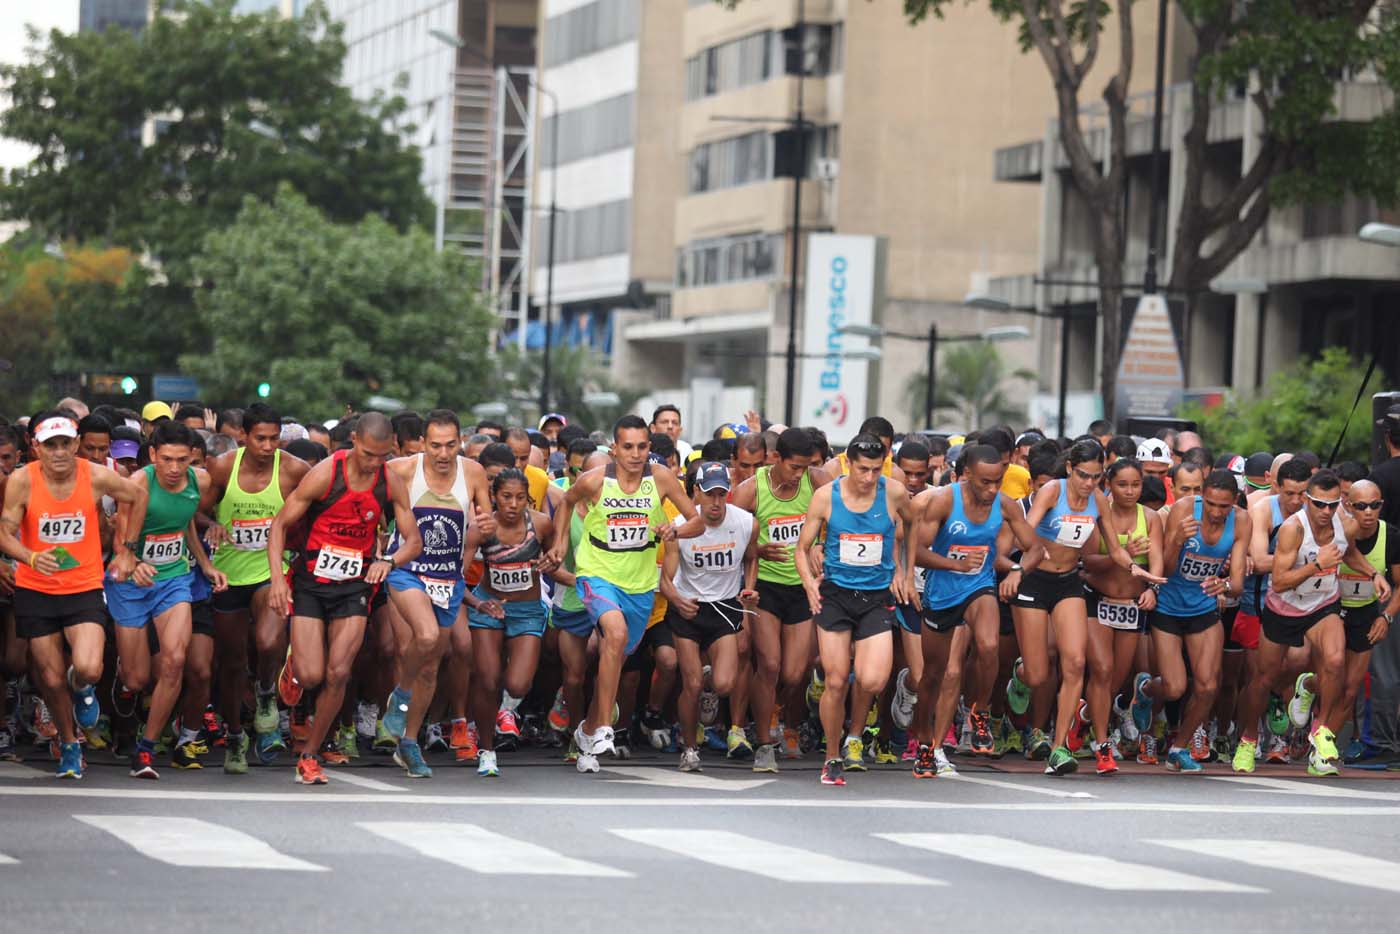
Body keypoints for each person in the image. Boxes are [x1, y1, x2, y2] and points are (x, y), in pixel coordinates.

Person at [266, 412, 422, 785]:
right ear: (353, 440)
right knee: (312, 674)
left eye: (382, 456)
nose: (373, 463)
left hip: (354, 587)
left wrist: (388, 561)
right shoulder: (326, 473)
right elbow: (280, 526)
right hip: (311, 583)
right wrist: (276, 581)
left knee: (338, 673)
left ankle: (309, 754)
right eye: (368, 454)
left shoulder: (389, 481)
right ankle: (295, 668)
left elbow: (413, 540)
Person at [544, 415, 703, 773]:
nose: (635, 454)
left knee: (617, 648)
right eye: (627, 447)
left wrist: (674, 529)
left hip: (641, 583)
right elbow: (566, 502)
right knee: (612, 635)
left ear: (650, 447)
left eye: (642, 447)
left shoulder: (661, 478)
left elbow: (697, 520)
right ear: (614, 448)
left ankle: (586, 733)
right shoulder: (595, 480)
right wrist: (557, 546)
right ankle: (603, 727)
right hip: (596, 572)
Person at [0, 411, 149, 778]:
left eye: (66, 443)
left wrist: (128, 548)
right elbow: (4, 533)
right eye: (51, 445)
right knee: (49, 679)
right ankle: (69, 743)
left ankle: (82, 687)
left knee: (89, 667)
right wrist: (30, 556)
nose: (59, 452)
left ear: (77, 444)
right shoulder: (22, 480)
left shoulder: (95, 476)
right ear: (35, 448)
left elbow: (138, 495)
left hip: (83, 585)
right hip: (36, 587)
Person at [1003, 440, 1163, 775]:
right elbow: (1024, 533)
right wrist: (1031, 555)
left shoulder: (1098, 501)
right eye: (1083, 475)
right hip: (1035, 581)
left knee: (1075, 661)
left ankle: (1058, 748)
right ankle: (1020, 676)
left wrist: (1135, 568)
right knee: (1038, 673)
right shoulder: (1052, 492)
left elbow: (1115, 549)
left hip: (1068, 584)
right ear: (1069, 469)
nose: (1089, 483)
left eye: (1096, 477)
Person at [1233, 469, 1391, 776]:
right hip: (1285, 608)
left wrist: (1373, 574)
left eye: (1333, 505)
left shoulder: (1345, 524)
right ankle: (1248, 739)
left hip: (1322, 605)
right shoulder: (1294, 529)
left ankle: (1321, 734)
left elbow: (1350, 553)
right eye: (1320, 504)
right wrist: (1317, 564)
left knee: (1335, 661)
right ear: (1308, 501)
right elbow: (1278, 582)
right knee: (1264, 679)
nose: (1326, 511)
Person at [794, 433, 919, 786]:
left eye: (876, 470)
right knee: (836, 680)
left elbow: (913, 523)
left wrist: (905, 572)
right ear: (848, 463)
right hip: (834, 595)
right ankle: (833, 755)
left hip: (876, 596)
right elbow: (802, 548)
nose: (868, 477)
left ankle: (855, 731)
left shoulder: (892, 492)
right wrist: (808, 584)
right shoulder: (826, 496)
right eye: (863, 469)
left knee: (873, 679)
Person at [909, 444, 1038, 778]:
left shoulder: (1005, 505)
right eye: (984, 482)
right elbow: (917, 552)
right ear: (966, 475)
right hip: (941, 592)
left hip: (979, 586)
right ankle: (924, 742)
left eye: (997, 481)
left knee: (989, 645)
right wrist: (955, 563)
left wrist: (1017, 572)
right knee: (933, 676)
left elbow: (1035, 548)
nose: (991, 490)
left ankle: (979, 711)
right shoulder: (944, 501)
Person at [107, 421, 227, 778]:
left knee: (176, 661)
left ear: (193, 458)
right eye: (168, 460)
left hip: (174, 578)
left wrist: (205, 565)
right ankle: (123, 681)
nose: (175, 469)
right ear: (153, 455)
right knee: (137, 677)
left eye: (183, 460)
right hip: (130, 581)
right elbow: (119, 540)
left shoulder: (199, 482)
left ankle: (146, 749)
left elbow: (186, 522)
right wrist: (135, 561)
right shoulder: (137, 485)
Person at [380, 409, 495, 778]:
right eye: (435, 446)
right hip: (407, 571)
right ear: (422, 444)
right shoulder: (401, 471)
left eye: (450, 445)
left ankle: (409, 743)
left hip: (447, 578)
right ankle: (399, 697)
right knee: (423, 639)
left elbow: (483, 525)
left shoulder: (473, 473)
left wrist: (485, 527)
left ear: (460, 442)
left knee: (430, 666)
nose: (443, 454)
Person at [202, 403, 310, 769]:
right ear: (244, 437)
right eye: (260, 438)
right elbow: (197, 510)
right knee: (232, 663)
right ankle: (235, 735)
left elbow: (316, 508)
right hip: (228, 575)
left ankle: (266, 693)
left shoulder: (294, 470)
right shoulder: (222, 467)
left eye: (274, 438)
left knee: (267, 641)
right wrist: (210, 524)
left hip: (271, 572)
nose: (268, 446)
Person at [1132, 468, 1250, 773]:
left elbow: (1237, 582)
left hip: (1203, 608)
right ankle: (1144, 691)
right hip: (1169, 606)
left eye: (1223, 507)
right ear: (1202, 497)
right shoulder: (1184, 510)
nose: (1215, 512)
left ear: (1234, 502)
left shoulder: (1241, 521)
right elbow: (1164, 569)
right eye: (1210, 504)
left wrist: (1222, 585)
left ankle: (1178, 748)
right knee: (1173, 688)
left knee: (1209, 686)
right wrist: (1176, 541)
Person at [730, 427, 832, 763]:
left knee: (793, 673)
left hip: (801, 586)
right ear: (776, 459)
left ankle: (782, 719)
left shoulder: (816, 482)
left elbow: (837, 517)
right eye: (794, 467)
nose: (799, 474)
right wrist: (757, 548)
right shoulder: (750, 490)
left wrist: (819, 544)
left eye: (804, 468)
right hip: (766, 588)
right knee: (770, 665)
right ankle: (763, 742)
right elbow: (730, 538)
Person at [660, 462, 759, 771]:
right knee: (690, 686)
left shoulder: (745, 523)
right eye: (709, 494)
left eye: (721, 494)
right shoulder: (679, 527)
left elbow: (751, 557)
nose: (716, 503)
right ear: (695, 494)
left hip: (724, 606)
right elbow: (665, 581)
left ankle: (707, 676)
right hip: (689, 608)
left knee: (725, 684)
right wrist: (676, 599)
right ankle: (689, 749)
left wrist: (750, 589)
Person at [463, 468, 556, 777]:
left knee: (517, 684)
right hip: (488, 608)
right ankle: (487, 750)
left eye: (520, 498)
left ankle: (499, 712)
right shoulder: (482, 528)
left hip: (527, 610)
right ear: (494, 497)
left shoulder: (541, 524)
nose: (513, 504)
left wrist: (552, 562)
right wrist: (477, 603)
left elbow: (555, 559)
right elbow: (456, 577)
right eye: (506, 497)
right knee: (488, 679)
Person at [1081, 457, 1163, 774]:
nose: (1130, 491)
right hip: (1097, 599)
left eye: (1136, 484)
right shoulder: (1099, 515)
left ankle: (1087, 717)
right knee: (1101, 669)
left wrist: (1152, 589)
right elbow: (1089, 561)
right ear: (1109, 486)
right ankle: (1102, 745)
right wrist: (1124, 551)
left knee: (1116, 678)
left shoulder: (1151, 517)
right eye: (1122, 485)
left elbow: (1156, 560)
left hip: (1131, 604)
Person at [1336, 479, 1399, 759]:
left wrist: (1386, 617)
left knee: (1351, 686)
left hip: (1366, 612)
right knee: (1331, 671)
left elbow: (1399, 584)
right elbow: (1346, 553)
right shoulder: (1338, 531)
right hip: (1331, 610)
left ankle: (1332, 739)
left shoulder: (1392, 536)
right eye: (1361, 506)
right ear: (1349, 506)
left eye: (1375, 505)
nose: (1369, 512)